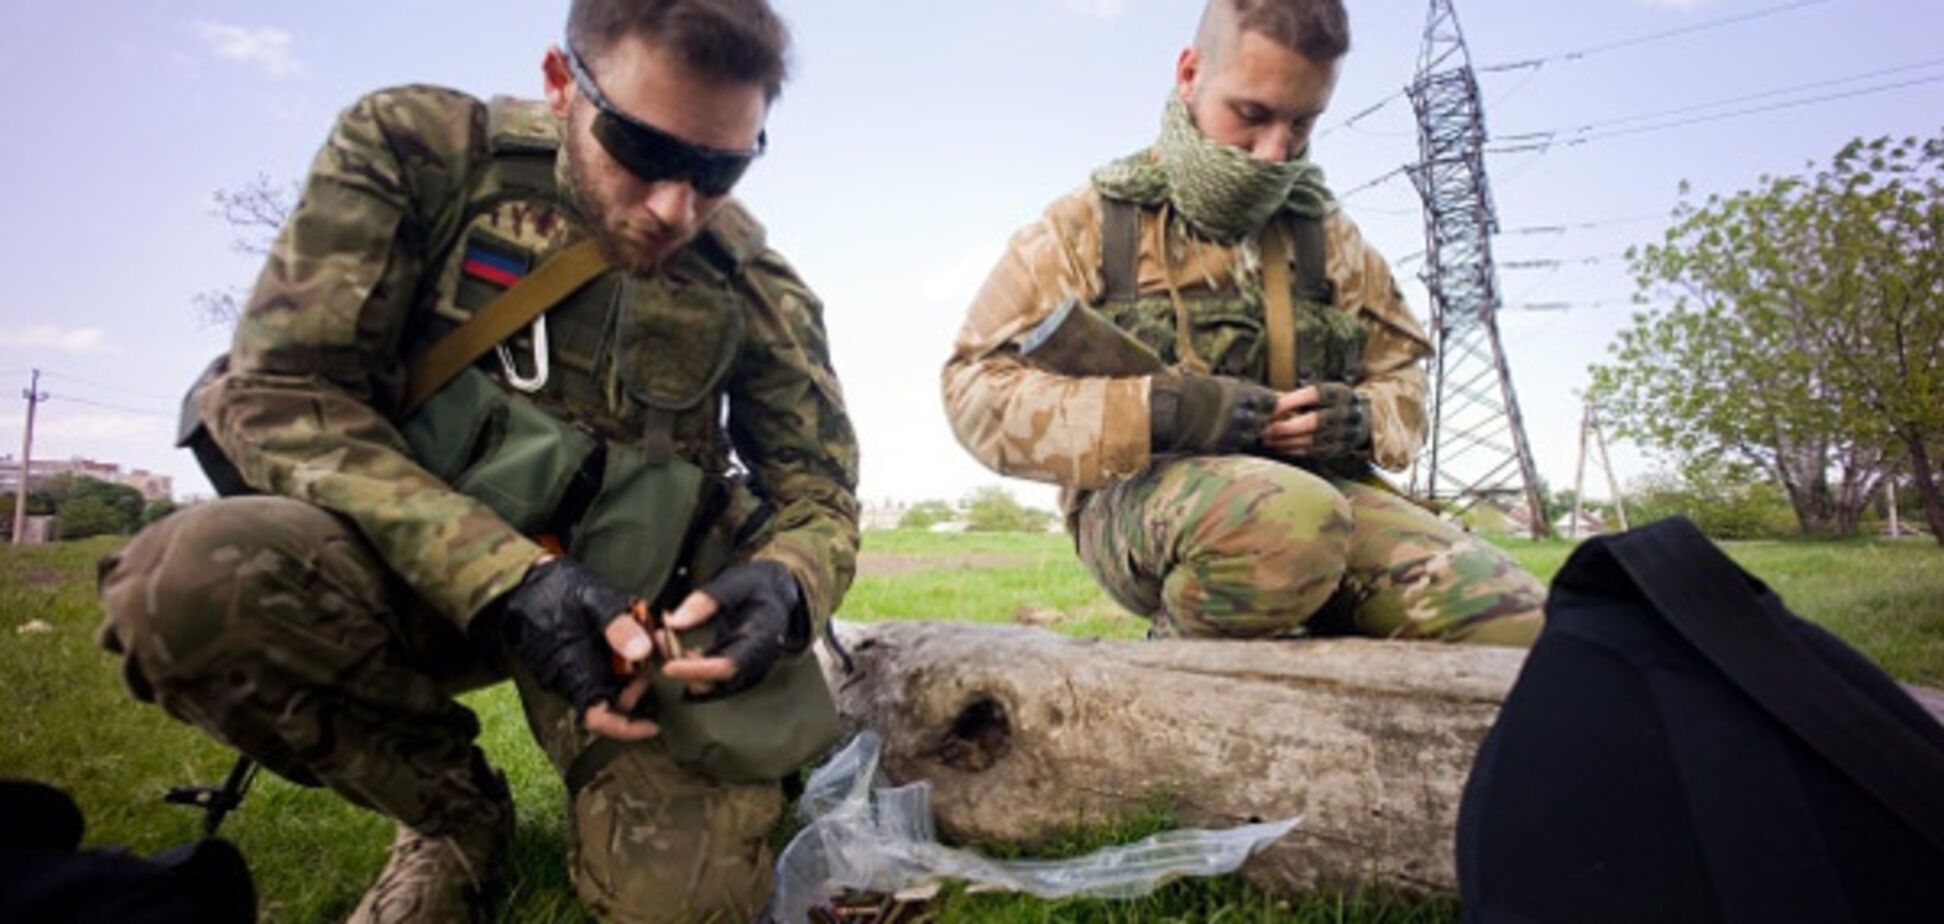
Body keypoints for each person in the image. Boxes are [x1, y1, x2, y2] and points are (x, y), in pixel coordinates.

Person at [96, 1, 859, 921]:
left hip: (627, 634)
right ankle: (450, 814)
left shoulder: (753, 283)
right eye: (642, 150)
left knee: (682, 906)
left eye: (718, 170)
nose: (675, 207)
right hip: (406, 580)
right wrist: (511, 578)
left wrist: (786, 581)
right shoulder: (422, 152)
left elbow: (818, 491)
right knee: (190, 584)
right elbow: (283, 394)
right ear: (558, 84)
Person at [942, 0, 1543, 646]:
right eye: (1251, 115)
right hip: (1137, 505)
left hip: (1324, 496)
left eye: (1302, 124)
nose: (1273, 153)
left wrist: (1362, 417)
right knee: (1285, 528)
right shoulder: (1090, 224)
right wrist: (1159, 411)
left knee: (1514, 624)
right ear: (1190, 73)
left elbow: (1403, 380)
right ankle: (1166, 692)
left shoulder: (1328, 237)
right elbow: (974, 389)